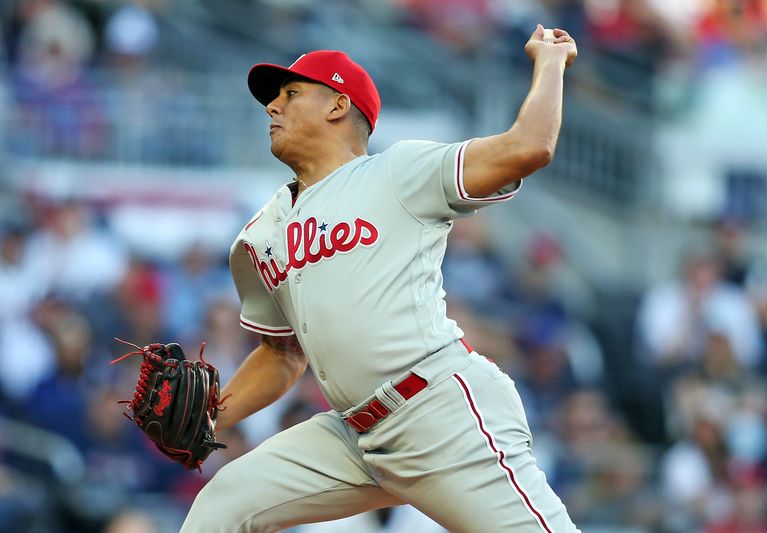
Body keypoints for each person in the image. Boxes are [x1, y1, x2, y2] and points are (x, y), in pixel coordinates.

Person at [182, 24, 579, 532]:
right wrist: (210, 416)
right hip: (351, 436)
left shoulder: (398, 171)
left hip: (437, 411)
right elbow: (283, 354)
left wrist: (549, 62)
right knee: (224, 504)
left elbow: (529, 147)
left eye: (291, 93)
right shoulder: (259, 236)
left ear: (337, 106)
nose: (272, 107)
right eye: (274, 99)